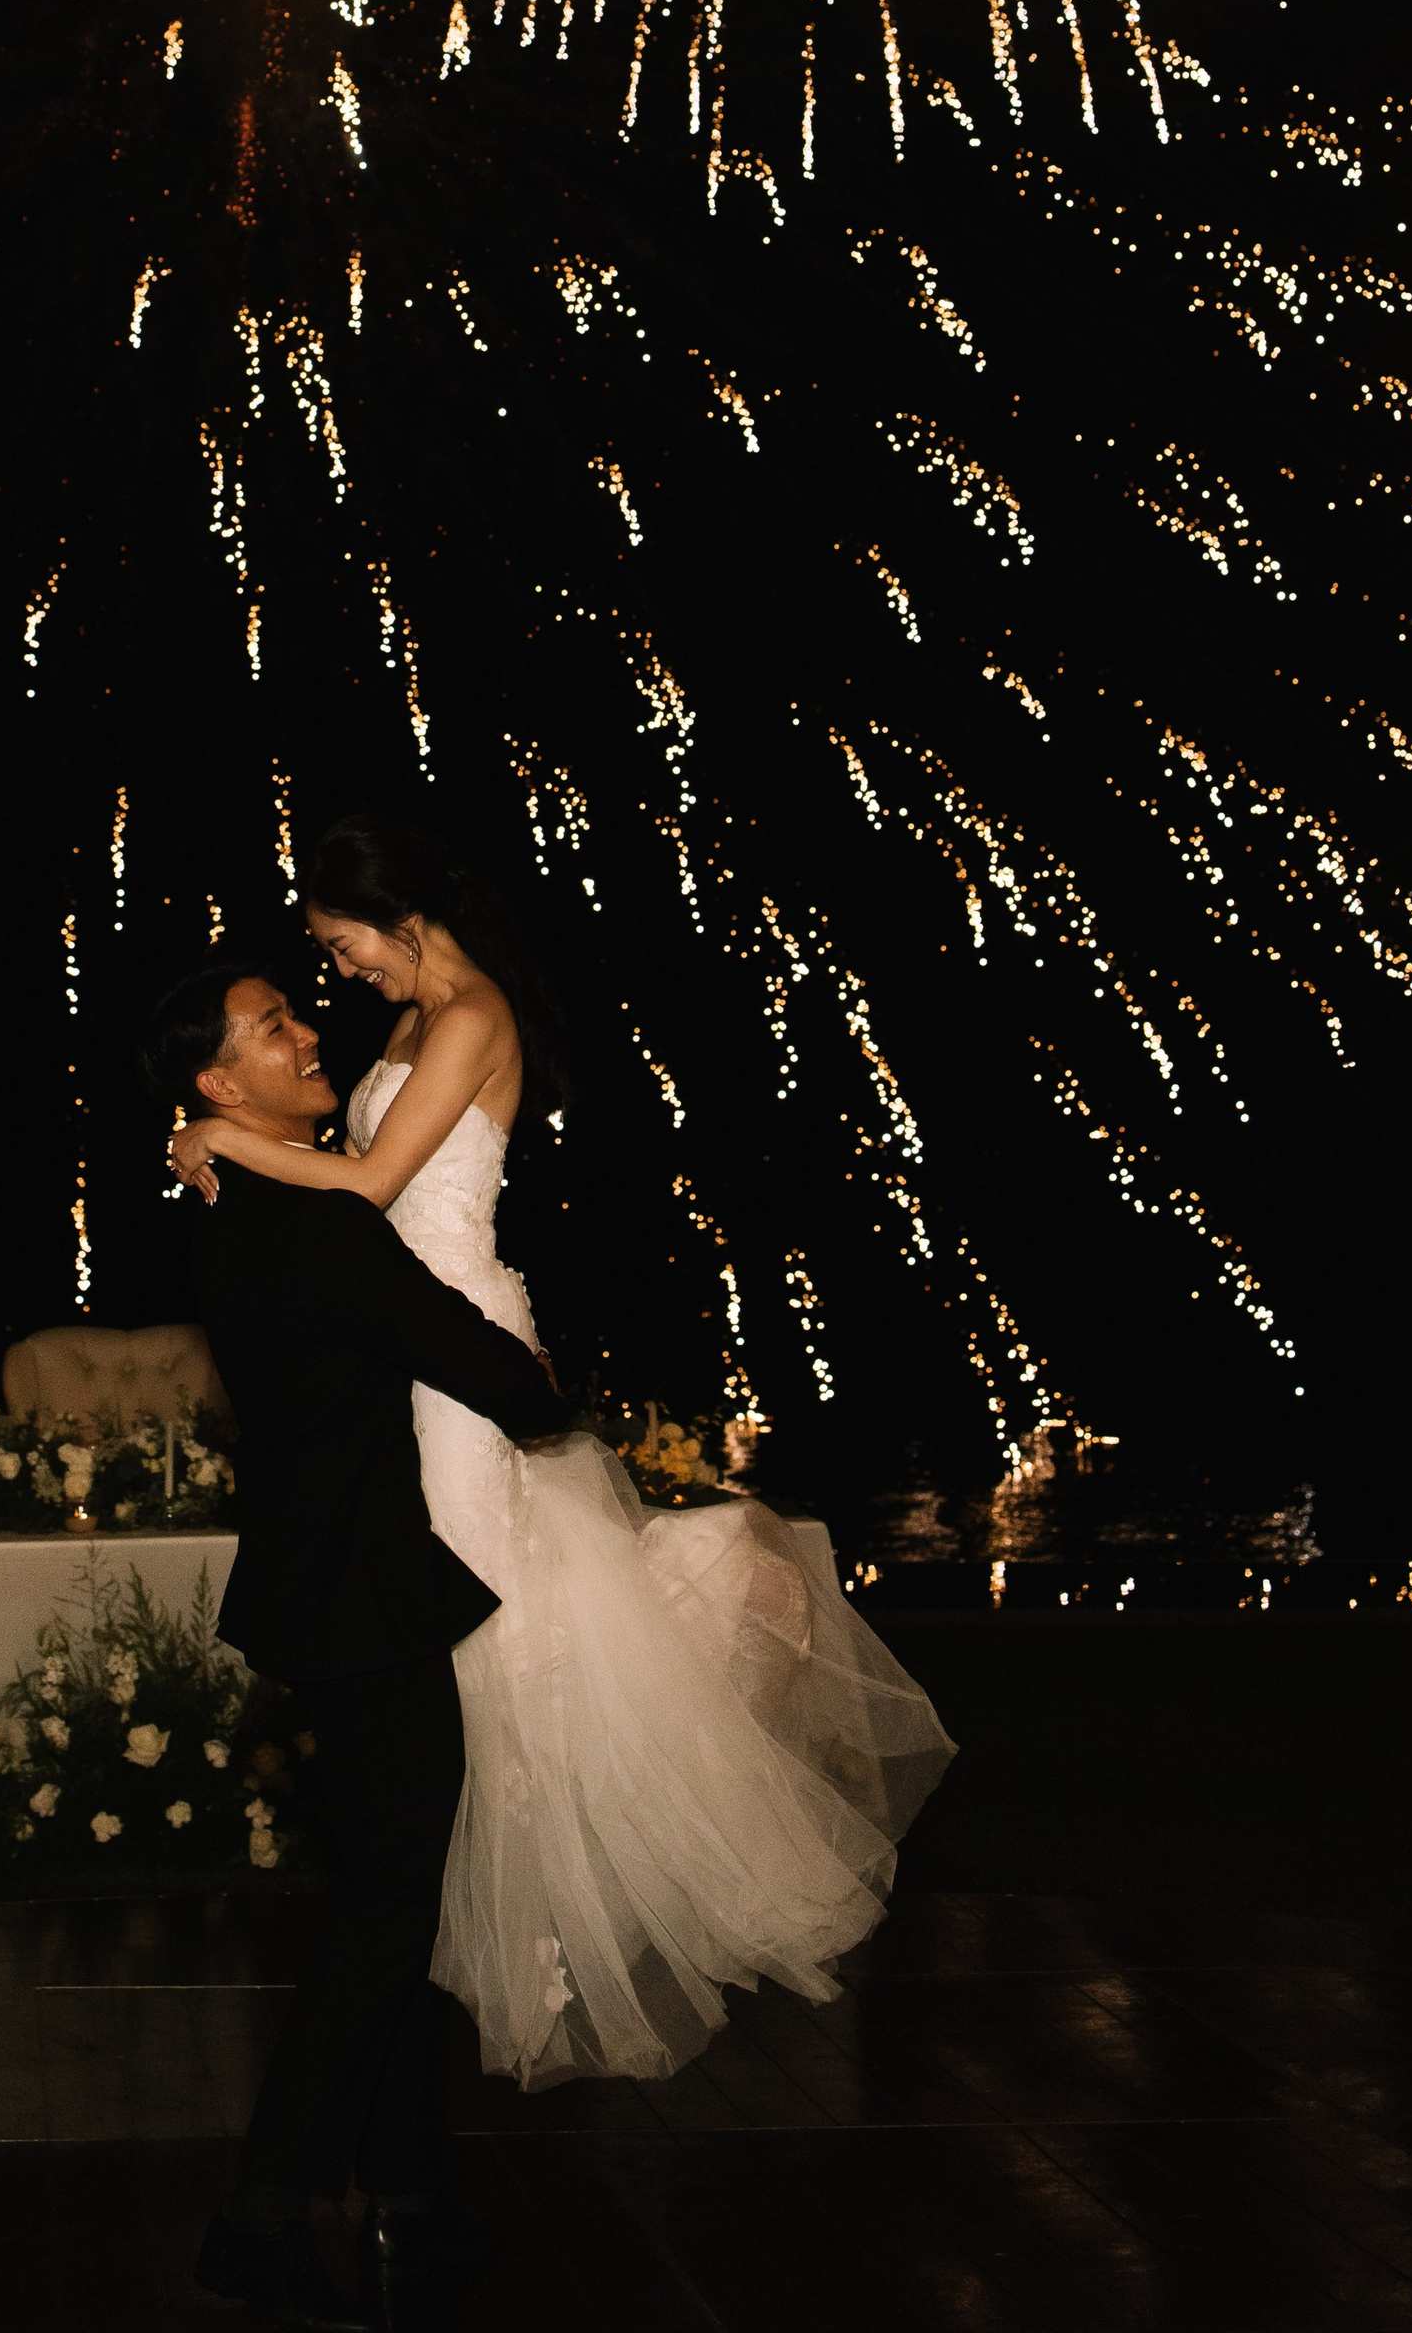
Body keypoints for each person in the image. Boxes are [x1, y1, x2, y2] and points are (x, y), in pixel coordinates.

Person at [169, 807, 955, 2095]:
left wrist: (227, 1140)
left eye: (341, 945)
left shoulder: (469, 1013)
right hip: (403, 1336)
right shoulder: (414, 1020)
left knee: (494, 1618)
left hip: (456, 1331)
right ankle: (433, 1920)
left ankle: (487, 1907)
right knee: (454, 1624)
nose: (339, 974)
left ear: (393, 913)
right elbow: (363, 1184)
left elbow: (369, 1189)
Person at [143, 957, 563, 2332]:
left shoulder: (238, 1196)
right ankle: (261, 2216)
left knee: (394, 1899)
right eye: (274, 1030)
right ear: (220, 1083)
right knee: (387, 1916)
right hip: (364, 1601)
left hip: (334, 1593)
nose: (308, 1031)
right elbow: (483, 1372)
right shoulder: (303, 1224)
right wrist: (541, 1383)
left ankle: (410, 2198)